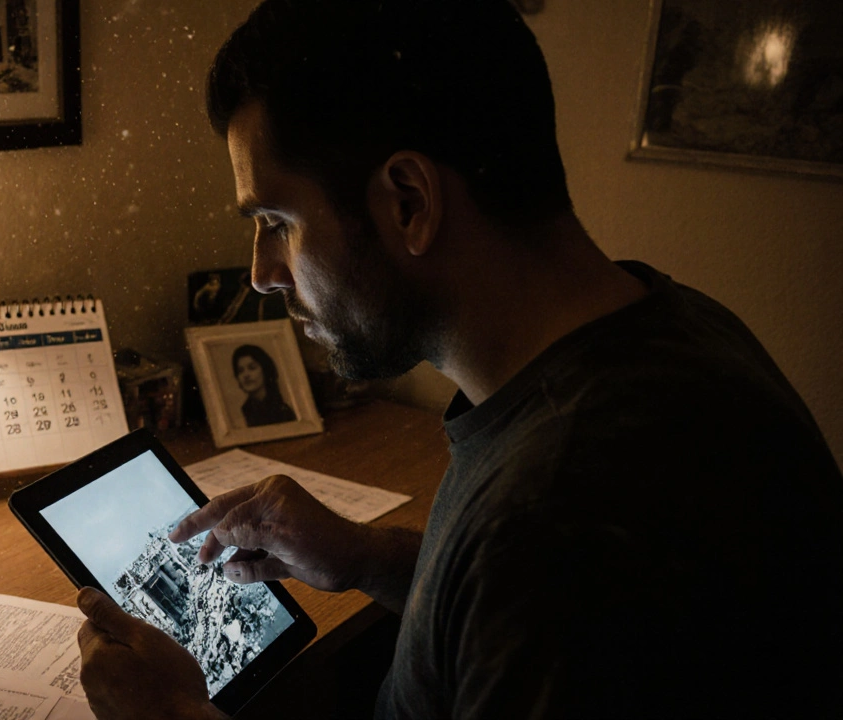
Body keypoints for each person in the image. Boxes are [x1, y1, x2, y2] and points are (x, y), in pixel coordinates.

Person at [75, 1, 843, 719]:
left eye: (277, 220)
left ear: (409, 200)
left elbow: (544, 580)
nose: (262, 272)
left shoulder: (562, 515)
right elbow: (508, 615)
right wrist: (369, 558)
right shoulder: (668, 329)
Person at [231, 344, 296, 427]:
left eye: (252, 368)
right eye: (240, 371)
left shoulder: (283, 410)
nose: (246, 375)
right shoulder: (242, 412)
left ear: (265, 370)